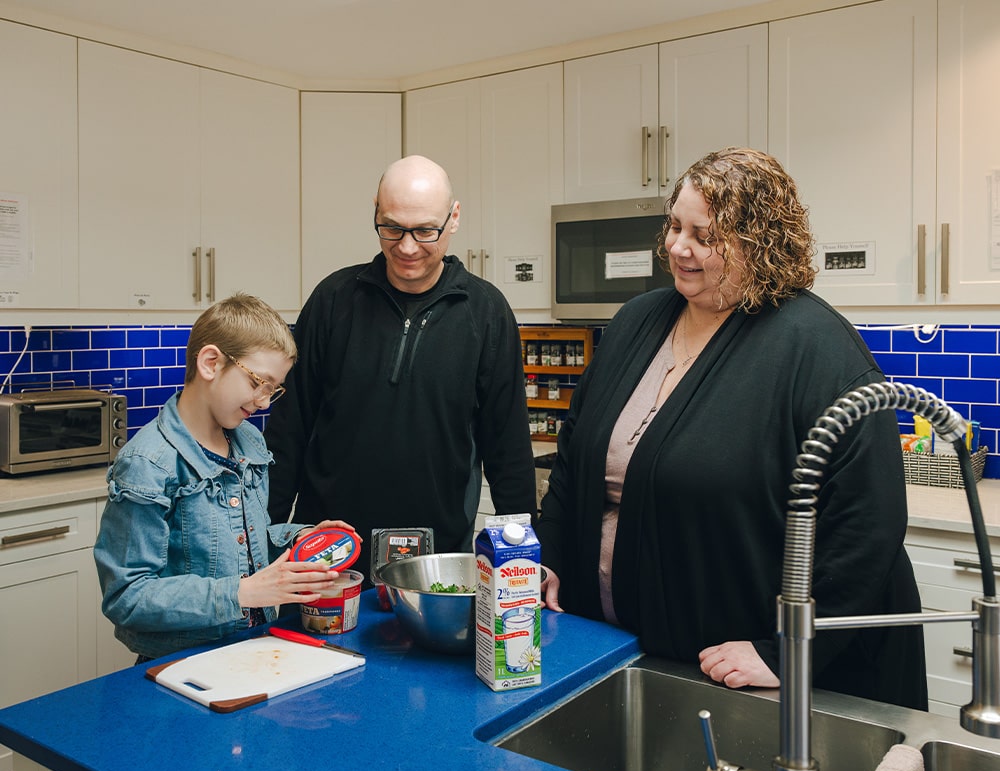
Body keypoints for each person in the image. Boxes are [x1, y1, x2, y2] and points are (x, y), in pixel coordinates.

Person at [537, 147, 927, 710]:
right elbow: (575, 458)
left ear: (761, 241)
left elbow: (868, 525)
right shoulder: (635, 321)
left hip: (729, 678)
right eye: (674, 226)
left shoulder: (814, 348)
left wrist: (787, 650)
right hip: (609, 650)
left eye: (703, 234)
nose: (677, 246)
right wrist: (549, 555)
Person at [264, 155, 536, 576]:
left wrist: (524, 559)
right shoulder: (333, 299)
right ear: (376, 209)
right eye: (391, 228)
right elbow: (288, 432)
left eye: (426, 231)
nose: (407, 247)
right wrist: (267, 539)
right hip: (327, 553)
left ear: (454, 217)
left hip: (437, 558)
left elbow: (508, 448)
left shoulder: (486, 313)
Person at [95, 293, 353, 661]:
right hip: (178, 667)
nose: (264, 402)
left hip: (252, 650)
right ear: (211, 362)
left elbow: (244, 541)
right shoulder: (148, 464)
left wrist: (302, 539)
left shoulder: (248, 441)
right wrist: (241, 594)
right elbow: (127, 597)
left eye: (273, 390)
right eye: (257, 383)